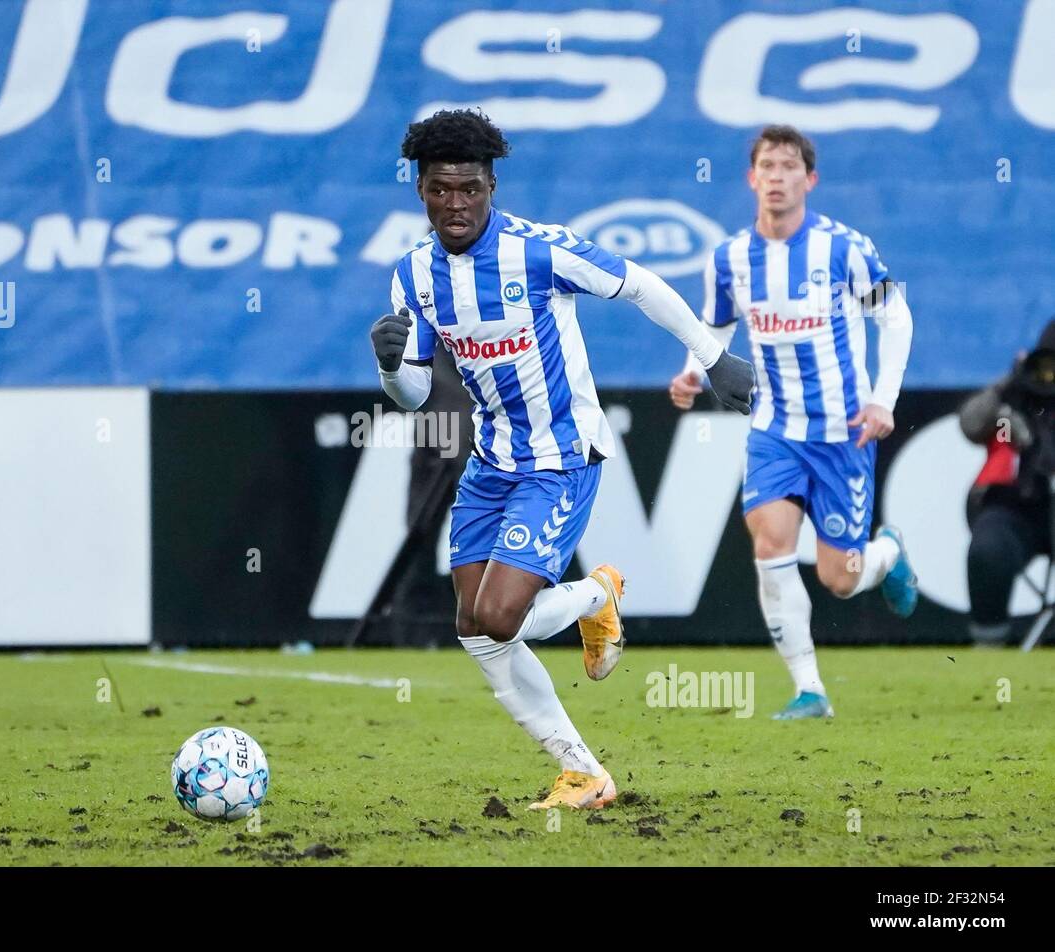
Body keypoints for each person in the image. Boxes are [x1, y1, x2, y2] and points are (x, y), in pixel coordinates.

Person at [370, 108, 754, 809]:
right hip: (492, 462)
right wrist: (392, 368)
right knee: (475, 631)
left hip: (562, 455)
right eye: (439, 189)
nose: (455, 204)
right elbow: (416, 393)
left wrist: (714, 356)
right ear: (419, 189)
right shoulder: (413, 277)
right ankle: (585, 772)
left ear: (491, 186)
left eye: (469, 189)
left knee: (499, 618)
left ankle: (597, 594)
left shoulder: (539, 252)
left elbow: (639, 284)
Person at [667, 124, 918, 720]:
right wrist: (694, 371)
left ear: (810, 179)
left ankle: (887, 554)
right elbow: (717, 325)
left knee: (841, 577)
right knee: (771, 543)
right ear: (752, 178)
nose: (777, 177)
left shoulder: (843, 249)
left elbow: (896, 317)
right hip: (774, 428)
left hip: (843, 431)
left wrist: (884, 400)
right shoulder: (729, 257)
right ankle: (810, 690)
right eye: (767, 166)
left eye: (789, 166)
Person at [959, 319, 1055, 645]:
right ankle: (989, 650)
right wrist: (1011, 382)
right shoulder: (1015, 395)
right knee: (989, 548)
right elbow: (970, 424)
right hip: (1019, 507)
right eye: (1046, 367)